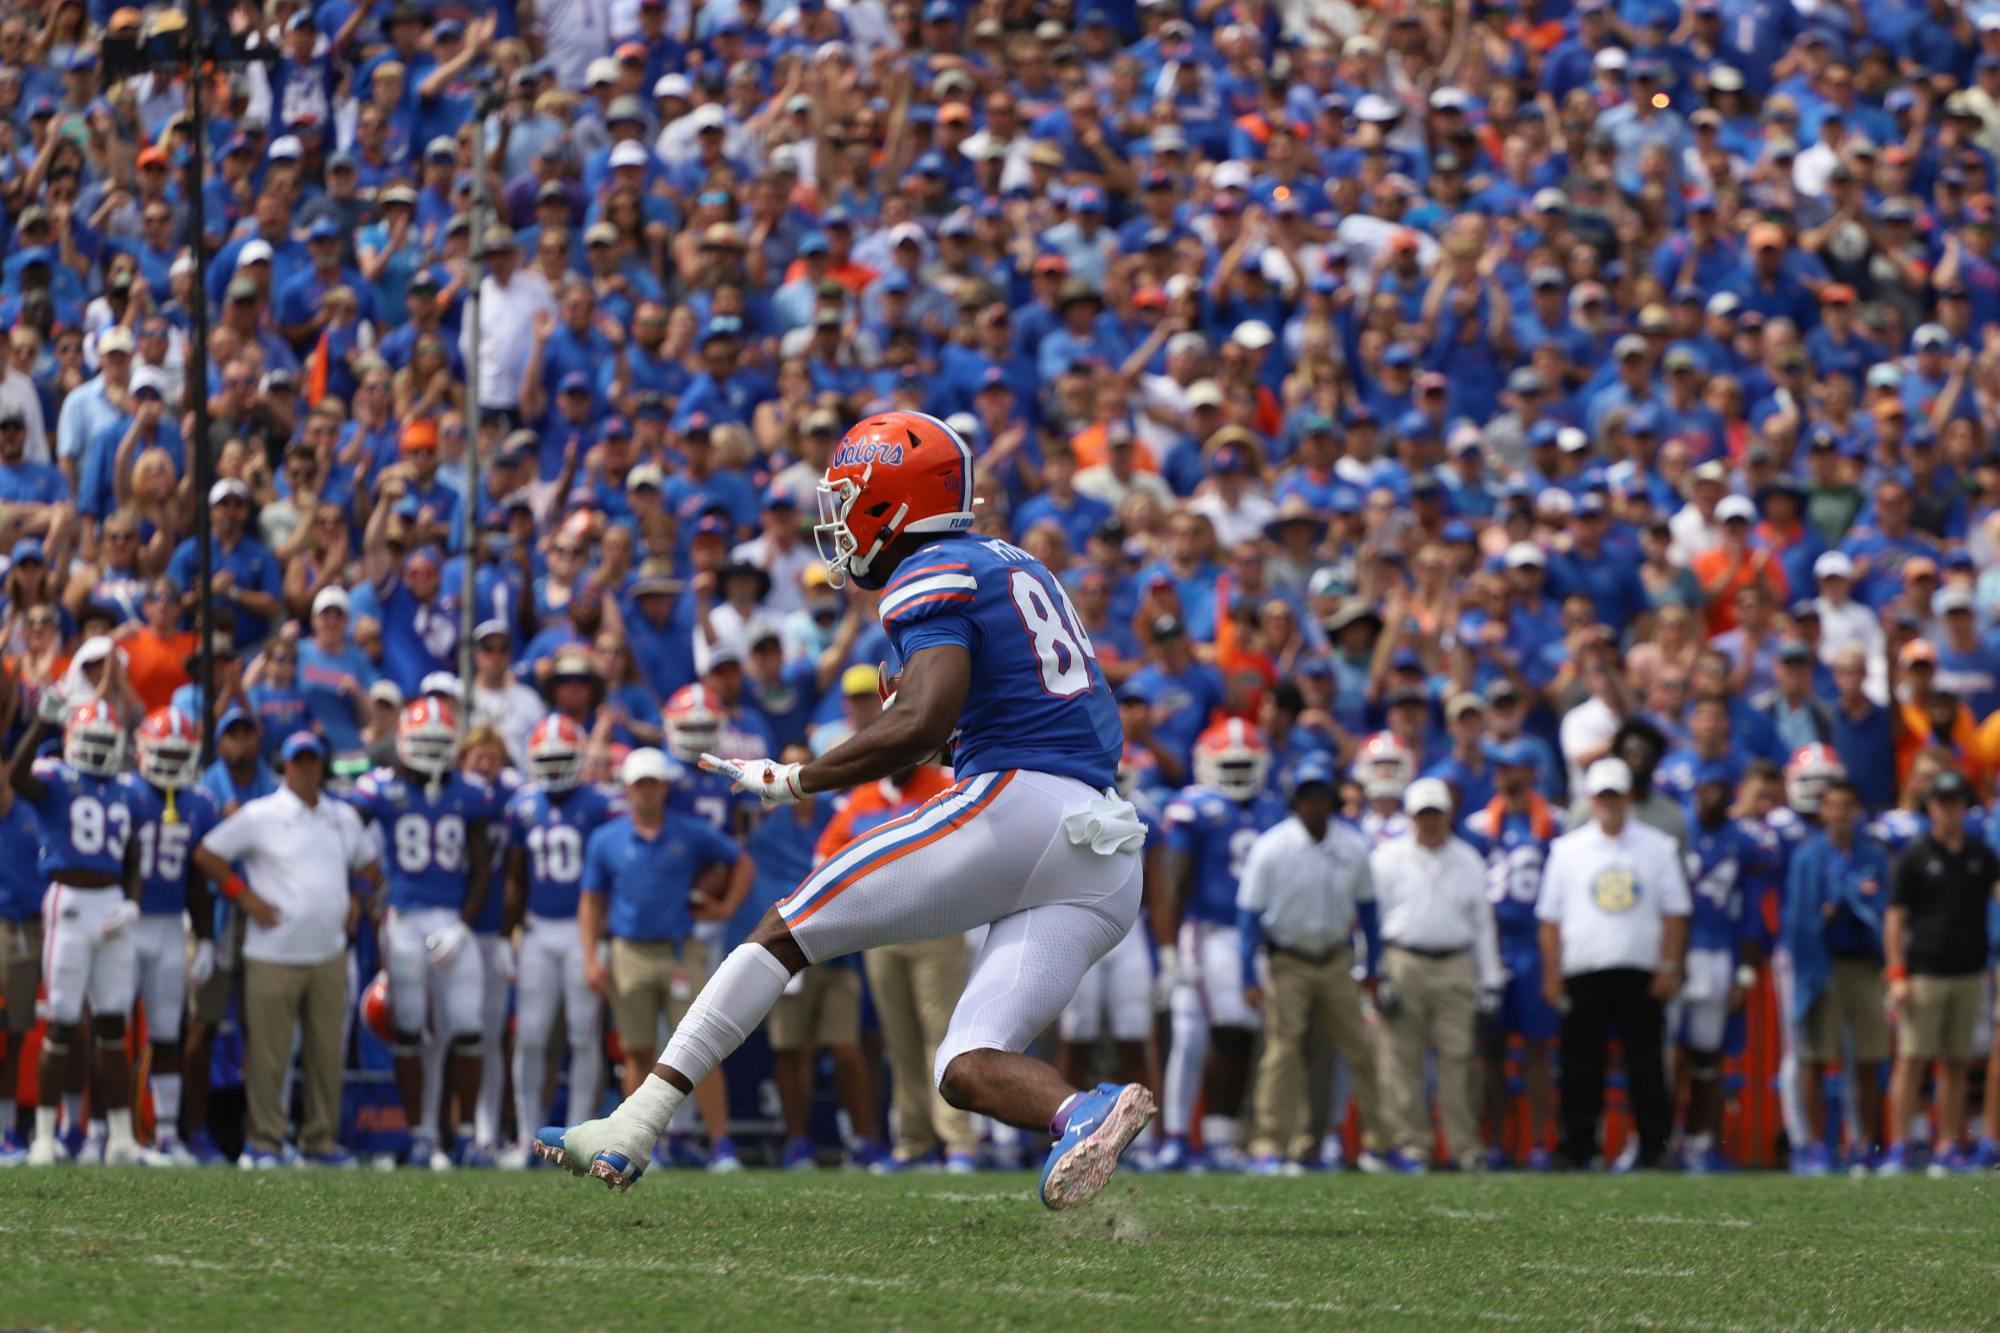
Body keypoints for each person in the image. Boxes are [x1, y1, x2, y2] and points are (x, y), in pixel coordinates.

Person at [538, 411, 1151, 1211]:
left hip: (1027, 805)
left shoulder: (932, 568)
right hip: (1105, 847)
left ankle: (635, 1119)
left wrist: (799, 778)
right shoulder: (1010, 562)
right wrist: (935, 736)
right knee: (963, 1065)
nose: (838, 520)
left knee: (784, 930)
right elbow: (1002, 709)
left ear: (891, 504)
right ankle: (1084, 1111)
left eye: (850, 498)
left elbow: (922, 720)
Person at [192, 732, 377, 1167]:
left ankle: (319, 1140)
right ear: (286, 766)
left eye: (313, 760)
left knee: (325, 1054)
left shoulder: (341, 815)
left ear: (322, 765)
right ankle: (265, 1141)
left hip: (328, 951)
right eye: (299, 761)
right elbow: (207, 855)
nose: (306, 768)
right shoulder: (261, 814)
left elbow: (369, 863)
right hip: (272, 953)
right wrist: (245, 896)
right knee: (269, 1056)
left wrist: (356, 898)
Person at [12, 668, 162, 1167]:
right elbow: (16, 778)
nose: (97, 751)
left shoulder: (129, 790)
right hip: (71, 904)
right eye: (89, 740)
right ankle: (43, 1138)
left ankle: (120, 1137)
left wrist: (133, 899)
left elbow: (136, 852)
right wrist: (38, 726)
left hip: (113, 907)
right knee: (60, 1023)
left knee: (113, 1027)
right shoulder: (57, 776)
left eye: (104, 741)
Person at [580, 746, 751, 1173]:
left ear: (664, 788)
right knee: (637, 1051)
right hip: (629, 952)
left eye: (653, 783)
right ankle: (636, 1143)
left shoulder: (688, 831)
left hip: (678, 951)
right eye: (640, 784)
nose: (647, 792)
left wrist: (727, 906)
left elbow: (741, 862)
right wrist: (591, 958)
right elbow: (591, 902)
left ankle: (721, 1145)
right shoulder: (607, 839)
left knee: (702, 1049)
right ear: (628, 789)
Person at [348, 697, 502, 1168]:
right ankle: (419, 1135)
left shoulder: (470, 793)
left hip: (450, 919)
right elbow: (350, 841)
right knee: (409, 1028)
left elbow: (482, 868)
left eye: (440, 743)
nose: (432, 752)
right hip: (404, 919)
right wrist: (369, 894)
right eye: (424, 742)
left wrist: (462, 923)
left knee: (469, 1027)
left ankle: (460, 1135)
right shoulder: (379, 789)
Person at [1536, 757, 1690, 1170]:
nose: (1608, 803)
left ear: (1627, 797)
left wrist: (1669, 966)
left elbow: (1676, 911)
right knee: (1579, 1066)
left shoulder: (1658, 847)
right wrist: (1552, 974)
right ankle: (1578, 1146)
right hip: (1583, 969)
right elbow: (1549, 919)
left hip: (1640, 969)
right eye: (1602, 795)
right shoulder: (1567, 850)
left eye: (1615, 795)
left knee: (1646, 1066)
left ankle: (1654, 1148)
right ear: (1591, 798)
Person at [1234, 754, 1385, 1176]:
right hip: (1289, 961)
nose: (1315, 804)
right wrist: (1248, 975)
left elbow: (1369, 912)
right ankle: (1268, 1144)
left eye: (1321, 795)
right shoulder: (1272, 848)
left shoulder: (1353, 845)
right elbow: (1249, 917)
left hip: (1337, 958)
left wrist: (1374, 966)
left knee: (1362, 1048)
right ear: (1295, 800)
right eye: (1307, 796)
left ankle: (1381, 1143)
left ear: (1333, 799)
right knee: (1282, 1052)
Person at [1157, 720, 1288, 1171]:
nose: (1235, 773)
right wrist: (1169, 949)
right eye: (1227, 764)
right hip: (1207, 930)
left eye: (1243, 765)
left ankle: (1218, 1138)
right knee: (1194, 1034)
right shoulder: (1193, 807)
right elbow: (1172, 880)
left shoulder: (1273, 809)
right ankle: (1177, 1137)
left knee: (1239, 1031)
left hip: (1253, 935)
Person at [500, 715, 624, 1169]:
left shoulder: (600, 803)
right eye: (546, 760)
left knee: (583, 1035)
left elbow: (611, 874)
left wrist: (604, 935)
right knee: (530, 1037)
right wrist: (503, 935)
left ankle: (575, 1140)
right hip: (536, 929)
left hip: (581, 932)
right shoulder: (523, 806)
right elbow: (514, 875)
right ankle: (524, 1138)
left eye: (561, 759)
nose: (553, 769)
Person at [1368, 777, 1501, 1173]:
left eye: (1436, 814)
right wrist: (1375, 974)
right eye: (1422, 814)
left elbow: (1482, 925)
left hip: (1454, 963)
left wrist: (1490, 981)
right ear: (1410, 817)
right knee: (1400, 1059)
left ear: (1449, 815)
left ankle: (1464, 1146)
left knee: (1458, 1058)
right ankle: (1412, 1147)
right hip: (1402, 960)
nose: (1429, 822)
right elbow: (1369, 921)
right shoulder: (1386, 858)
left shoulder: (1468, 859)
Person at [1881, 769, 2000, 1176]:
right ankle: (1899, 1145)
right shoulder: (1916, 855)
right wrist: (1897, 972)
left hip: (1969, 971)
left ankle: (1948, 1144)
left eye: (1954, 802)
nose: (1947, 810)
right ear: (1930, 806)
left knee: (1957, 1063)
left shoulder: (1980, 855)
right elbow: (1896, 918)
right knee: (1913, 1060)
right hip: (1925, 971)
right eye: (1941, 802)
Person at [126, 706, 223, 1163]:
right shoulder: (125, 792)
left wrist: (204, 938)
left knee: (167, 1030)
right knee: (107, 1027)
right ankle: (99, 1130)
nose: (167, 762)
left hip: (168, 926)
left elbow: (198, 880)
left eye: (176, 753)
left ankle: (166, 1133)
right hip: (124, 922)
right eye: (161, 752)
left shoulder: (199, 802)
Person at [1463, 738, 1565, 1170]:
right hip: (1491, 942)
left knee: (1539, 1049)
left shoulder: (1555, 825)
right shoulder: (1478, 825)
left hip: (1535, 945)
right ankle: (1497, 1141)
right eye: (1500, 768)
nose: (1504, 775)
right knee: (1491, 1049)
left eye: (1513, 767)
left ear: (1533, 772)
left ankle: (1543, 1140)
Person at [1780, 776, 1890, 1175]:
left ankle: (1864, 1144)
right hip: (1822, 962)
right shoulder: (1809, 857)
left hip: (1862, 963)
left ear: (1856, 811)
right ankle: (1812, 1147)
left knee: (1868, 1055)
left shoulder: (1871, 856)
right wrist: (1819, 920)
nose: (1840, 814)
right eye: (1833, 806)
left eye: (1847, 805)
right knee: (1815, 1055)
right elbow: (1796, 917)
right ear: (1823, 811)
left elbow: (1884, 909)